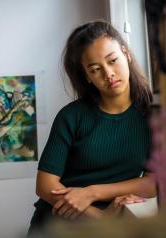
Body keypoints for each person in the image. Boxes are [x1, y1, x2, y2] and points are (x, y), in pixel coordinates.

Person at [28, 20, 156, 235]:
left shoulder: (153, 116)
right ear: (87, 76)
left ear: (126, 53)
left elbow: (154, 182)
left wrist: (92, 193)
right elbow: (45, 185)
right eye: (95, 69)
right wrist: (100, 216)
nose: (109, 74)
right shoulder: (72, 116)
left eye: (113, 60)